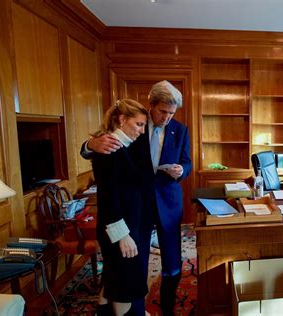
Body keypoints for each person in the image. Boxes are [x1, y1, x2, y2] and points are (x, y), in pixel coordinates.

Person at [82, 81, 192, 316]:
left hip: (167, 204)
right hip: (134, 210)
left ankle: (167, 308)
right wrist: (90, 144)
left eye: (172, 113)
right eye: (163, 111)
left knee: (172, 264)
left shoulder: (180, 130)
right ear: (151, 105)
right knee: (133, 262)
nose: (167, 118)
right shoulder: (133, 125)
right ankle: (136, 309)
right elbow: (103, 153)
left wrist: (182, 170)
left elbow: (187, 161)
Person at [91, 99, 153, 316]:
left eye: (144, 126)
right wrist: (122, 236)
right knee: (124, 286)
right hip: (119, 229)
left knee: (113, 280)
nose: (142, 130)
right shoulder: (108, 146)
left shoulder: (125, 145)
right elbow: (108, 197)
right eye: (138, 124)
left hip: (127, 225)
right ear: (122, 119)